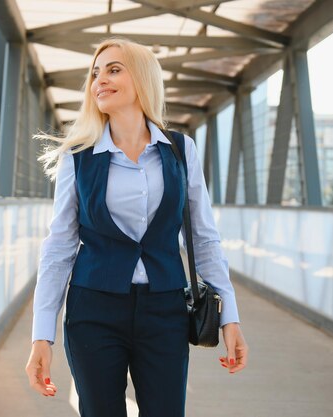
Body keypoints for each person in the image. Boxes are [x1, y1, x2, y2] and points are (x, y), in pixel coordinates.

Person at [25, 37, 248, 417]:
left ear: (142, 79)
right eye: (95, 73)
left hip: (165, 310)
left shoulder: (180, 150)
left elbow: (205, 239)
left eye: (114, 70)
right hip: (93, 309)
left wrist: (230, 317)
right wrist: (41, 334)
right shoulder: (78, 158)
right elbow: (59, 247)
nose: (100, 81)